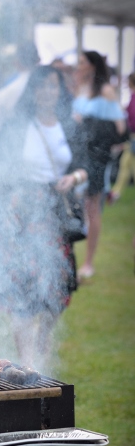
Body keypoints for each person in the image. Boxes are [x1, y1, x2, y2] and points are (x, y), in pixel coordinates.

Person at [0, 65, 88, 371]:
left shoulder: (70, 125)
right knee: (20, 286)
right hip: (20, 211)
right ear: (33, 90)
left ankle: (43, 343)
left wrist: (74, 178)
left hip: (54, 214)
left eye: (53, 86)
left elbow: (88, 166)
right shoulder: (18, 125)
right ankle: (27, 360)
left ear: (60, 90)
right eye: (41, 86)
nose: (47, 91)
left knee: (56, 287)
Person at [72, 50, 126, 280]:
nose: (79, 66)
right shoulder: (81, 89)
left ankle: (89, 262)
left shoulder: (105, 91)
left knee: (93, 208)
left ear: (92, 66)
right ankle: (73, 257)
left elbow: (120, 128)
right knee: (77, 208)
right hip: (78, 157)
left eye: (82, 62)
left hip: (96, 158)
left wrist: (91, 127)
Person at [0, 40, 40, 140]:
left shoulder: (8, 92)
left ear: (17, 62)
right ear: (38, 60)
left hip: (15, 142)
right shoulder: (52, 87)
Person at [109, 72, 135, 202]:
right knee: (125, 165)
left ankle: (115, 193)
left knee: (128, 165)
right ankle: (115, 193)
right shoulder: (132, 97)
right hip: (132, 137)